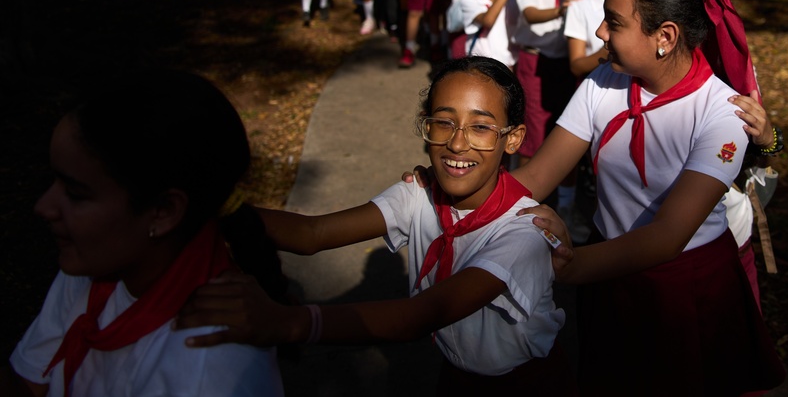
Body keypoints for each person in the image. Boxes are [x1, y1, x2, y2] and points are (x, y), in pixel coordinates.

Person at [174, 57, 574, 393]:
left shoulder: (524, 231)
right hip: (457, 370)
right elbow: (312, 235)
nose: (457, 143)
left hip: (524, 383)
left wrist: (289, 323)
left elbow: (420, 315)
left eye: (481, 127)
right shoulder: (419, 194)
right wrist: (218, 207)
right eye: (443, 122)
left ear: (514, 138)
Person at [510, 0, 787, 394]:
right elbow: (537, 176)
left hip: (682, 288)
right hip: (607, 275)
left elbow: (669, 235)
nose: (600, 32)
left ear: (665, 36)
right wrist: (460, 193)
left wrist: (565, 266)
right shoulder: (603, 84)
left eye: (614, 23)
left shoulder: (720, 113)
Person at [4, 70, 286, 397]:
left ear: (163, 212)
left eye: (76, 194)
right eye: (53, 181)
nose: (44, 206)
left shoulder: (206, 373)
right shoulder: (95, 267)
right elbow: (27, 383)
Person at [511, 0, 582, 167]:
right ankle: (522, 199)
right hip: (534, 60)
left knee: (567, 129)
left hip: (569, 60)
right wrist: (562, 10)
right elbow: (530, 14)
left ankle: (564, 199)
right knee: (531, 131)